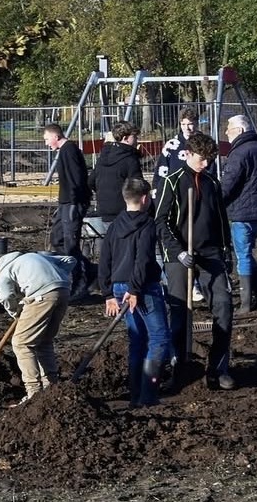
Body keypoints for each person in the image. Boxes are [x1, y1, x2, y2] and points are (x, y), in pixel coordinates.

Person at [154, 132, 236, 391]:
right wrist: (178, 251)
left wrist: (226, 250)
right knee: (180, 312)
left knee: (224, 306)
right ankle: (179, 368)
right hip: (180, 256)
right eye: (202, 159)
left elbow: (222, 220)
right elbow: (161, 221)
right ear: (188, 154)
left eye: (210, 160)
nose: (206, 164)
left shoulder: (212, 182)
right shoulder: (172, 181)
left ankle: (218, 368)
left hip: (210, 254)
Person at [98, 177, 171, 407]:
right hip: (143, 288)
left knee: (137, 340)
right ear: (145, 198)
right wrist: (135, 289)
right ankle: (148, 395)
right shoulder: (147, 225)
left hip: (120, 287)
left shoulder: (115, 225)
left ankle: (135, 396)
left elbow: (104, 259)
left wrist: (108, 292)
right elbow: (143, 259)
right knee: (159, 338)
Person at [0, 250, 73, 405]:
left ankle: (33, 392)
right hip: (63, 291)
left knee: (21, 343)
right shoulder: (35, 257)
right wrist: (55, 279)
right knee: (44, 341)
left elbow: (6, 296)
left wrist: (15, 313)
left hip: (41, 296)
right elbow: (69, 260)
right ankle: (52, 387)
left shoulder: (2, 272)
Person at [221, 114, 257, 314]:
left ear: (240, 131)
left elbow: (229, 184)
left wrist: (215, 201)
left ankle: (245, 303)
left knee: (242, 255)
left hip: (242, 210)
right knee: (248, 254)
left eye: (229, 129)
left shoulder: (239, 153)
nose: (226, 133)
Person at [43, 123, 91, 300]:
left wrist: (73, 202)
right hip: (66, 202)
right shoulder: (64, 151)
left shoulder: (69, 150)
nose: (47, 143)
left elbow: (76, 178)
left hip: (72, 202)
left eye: (47, 139)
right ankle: (86, 269)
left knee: (70, 243)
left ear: (56, 137)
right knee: (57, 238)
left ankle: (80, 282)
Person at [89, 119, 144, 238]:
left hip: (104, 210)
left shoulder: (102, 157)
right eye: (134, 137)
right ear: (126, 138)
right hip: (125, 211)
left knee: (112, 246)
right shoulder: (130, 159)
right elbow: (137, 187)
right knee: (126, 247)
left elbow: (91, 181)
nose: (137, 140)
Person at [153, 108, 199, 200]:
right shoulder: (172, 145)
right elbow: (162, 169)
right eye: (183, 124)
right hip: (176, 192)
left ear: (196, 123)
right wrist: (157, 191)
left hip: (198, 191)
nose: (186, 128)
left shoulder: (204, 143)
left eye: (190, 124)